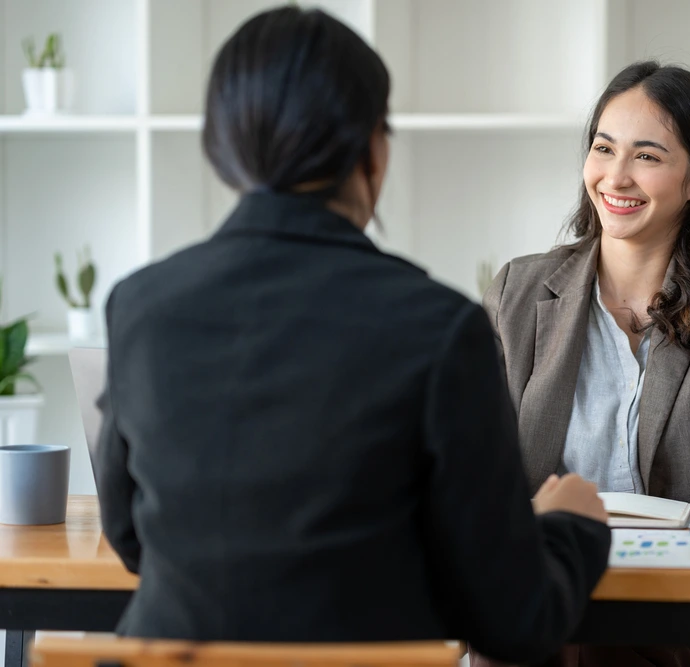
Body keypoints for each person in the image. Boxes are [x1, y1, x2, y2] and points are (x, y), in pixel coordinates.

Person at [94, 7, 611, 664]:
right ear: (373, 147)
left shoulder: (140, 306)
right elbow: (513, 618)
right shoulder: (439, 327)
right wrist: (571, 528)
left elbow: (131, 535)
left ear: (220, 145)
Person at [473, 62, 690, 667]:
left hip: (678, 609)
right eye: (603, 149)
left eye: (648, 157)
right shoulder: (519, 290)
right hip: (544, 594)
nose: (616, 177)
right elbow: (478, 477)